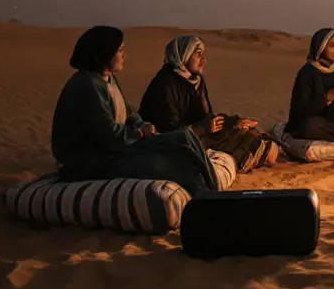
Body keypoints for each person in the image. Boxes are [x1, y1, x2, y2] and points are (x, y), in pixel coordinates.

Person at [50, 26, 217, 193]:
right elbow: (109, 136)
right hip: (91, 162)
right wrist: (139, 133)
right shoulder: (87, 85)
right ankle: (204, 198)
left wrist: (143, 126)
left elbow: (129, 114)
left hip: (116, 150)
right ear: (105, 52)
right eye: (120, 50)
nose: (125, 55)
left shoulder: (108, 79)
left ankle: (214, 191)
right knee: (167, 164)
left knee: (185, 136)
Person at [139, 35, 280, 172]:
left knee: (253, 135)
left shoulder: (196, 81)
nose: (203, 60)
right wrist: (202, 129)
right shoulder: (165, 85)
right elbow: (169, 133)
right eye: (198, 54)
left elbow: (208, 118)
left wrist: (233, 122)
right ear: (184, 55)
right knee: (262, 149)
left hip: (199, 137)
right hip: (173, 145)